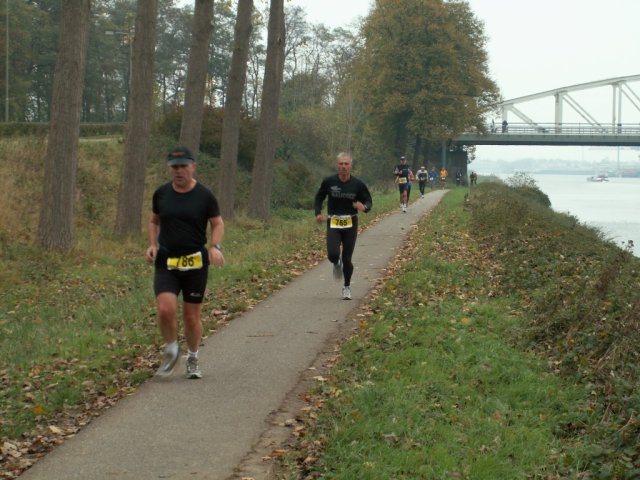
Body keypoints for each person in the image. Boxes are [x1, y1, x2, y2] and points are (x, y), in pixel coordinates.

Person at [146, 146, 225, 380]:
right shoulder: (161, 194)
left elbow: (217, 223)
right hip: (167, 261)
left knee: (191, 317)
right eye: (174, 167)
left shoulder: (205, 195)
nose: (178, 171)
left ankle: (192, 356)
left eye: (183, 166)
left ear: (193, 166)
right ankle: (171, 348)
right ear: (169, 168)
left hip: (195, 263)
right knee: (165, 308)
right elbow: (153, 221)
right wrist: (152, 244)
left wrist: (215, 246)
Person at [314, 152, 373, 300]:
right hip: (333, 221)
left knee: (347, 258)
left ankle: (346, 286)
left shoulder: (358, 184)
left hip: (350, 223)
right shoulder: (329, 182)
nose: (343, 167)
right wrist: (318, 213)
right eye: (341, 164)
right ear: (337, 165)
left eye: (346, 164)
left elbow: (368, 201)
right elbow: (319, 197)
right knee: (333, 254)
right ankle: (336, 262)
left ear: (350, 166)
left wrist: (364, 207)